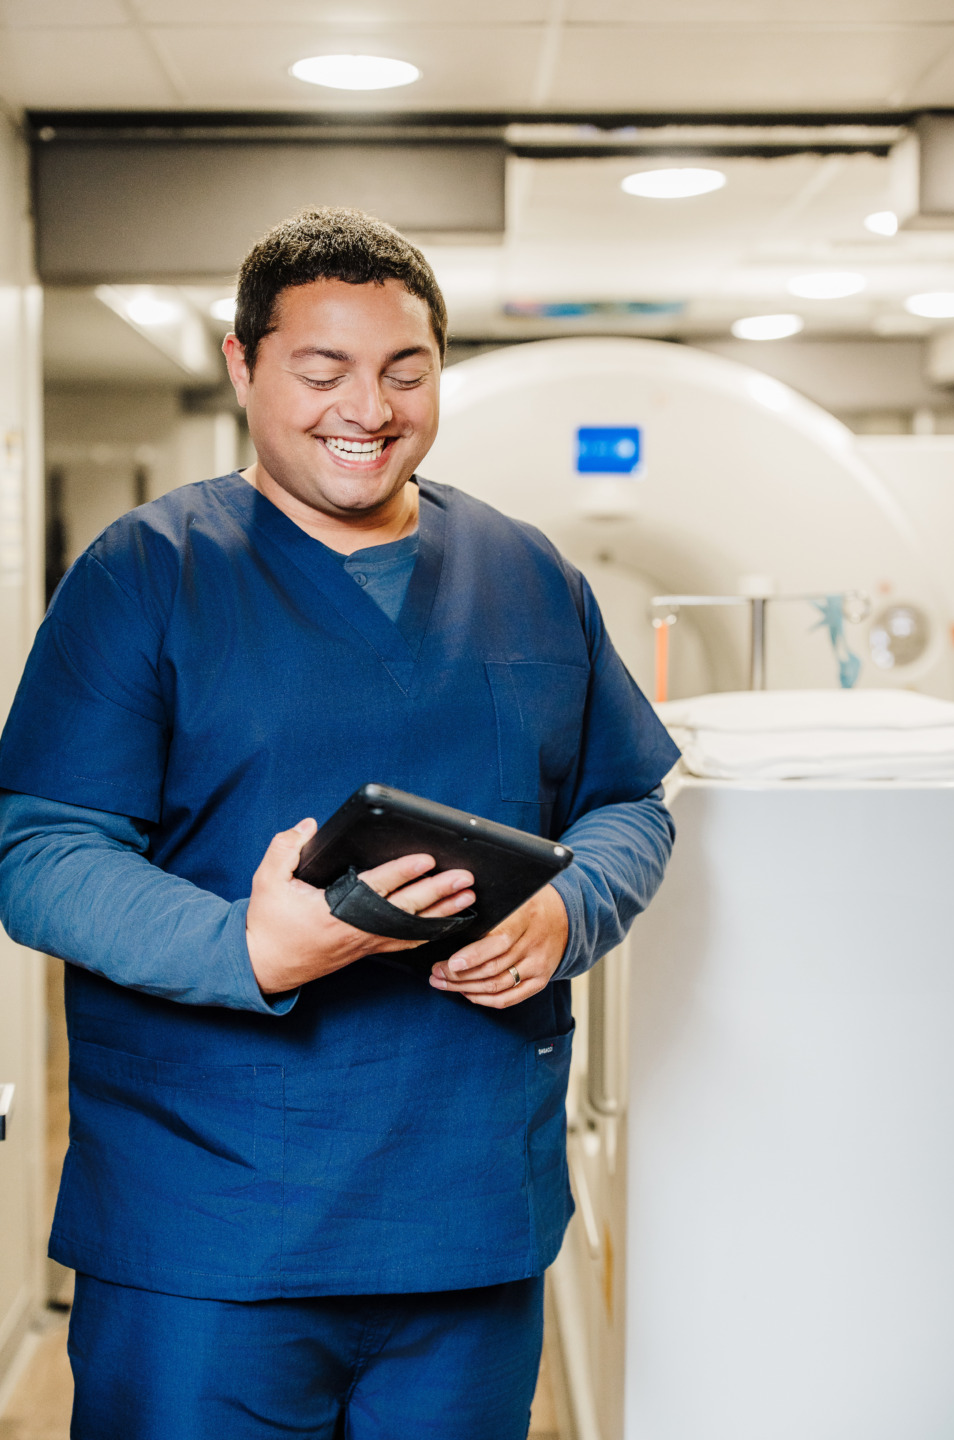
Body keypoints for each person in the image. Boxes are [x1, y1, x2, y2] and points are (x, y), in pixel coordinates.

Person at [0, 207, 679, 1439]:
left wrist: (568, 907)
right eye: (322, 371)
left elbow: (630, 800)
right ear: (243, 365)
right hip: (210, 1224)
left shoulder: (530, 578)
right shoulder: (147, 575)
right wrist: (246, 950)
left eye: (403, 371)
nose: (366, 407)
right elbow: (41, 851)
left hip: (466, 1215)